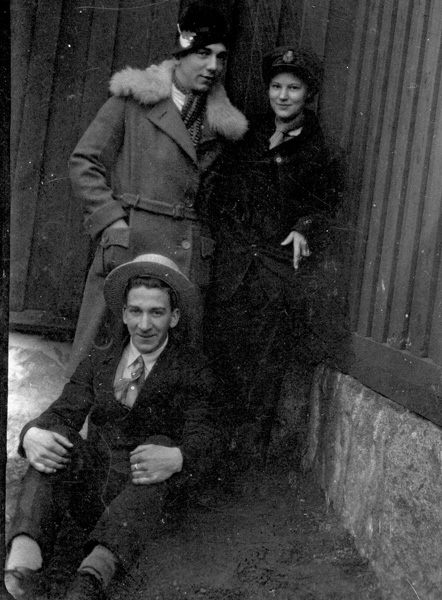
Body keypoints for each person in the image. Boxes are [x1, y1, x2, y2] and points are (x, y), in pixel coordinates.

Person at [5, 254, 222, 600]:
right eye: (136, 311)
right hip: (94, 487)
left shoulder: (191, 369)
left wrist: (179, 457)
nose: (144, 325)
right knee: (55, 438)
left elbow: (207, 434)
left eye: (156, 313)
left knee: (160, 444)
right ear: (123, 314)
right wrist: (30, 433)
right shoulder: (100, 359)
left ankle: (92, 577)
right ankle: (23, 564)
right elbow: (62, 411)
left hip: (145, 502)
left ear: (174, 317)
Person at [67, 2, 248, 376]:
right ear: (180, 53)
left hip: (186, 257)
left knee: (168, 370)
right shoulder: (134, 100)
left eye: (221, 57)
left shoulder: (222, 124)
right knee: (101, 357)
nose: (213, 66)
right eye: (203, 54)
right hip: (132, 244)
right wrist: (113, 225)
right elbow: (84, 161)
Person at [204, 46, 347, 467]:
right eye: (276, 86)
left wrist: (304, 227)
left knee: (263, 368)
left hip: (274, 274)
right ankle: (210, 454)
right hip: (233, 270)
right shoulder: (247, 136)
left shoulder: (320, 150)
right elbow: (220, 192)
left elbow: (325, 205)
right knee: (220, 358)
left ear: (309, 94)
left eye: (294, 88)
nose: (283, 96)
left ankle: (247, 463)